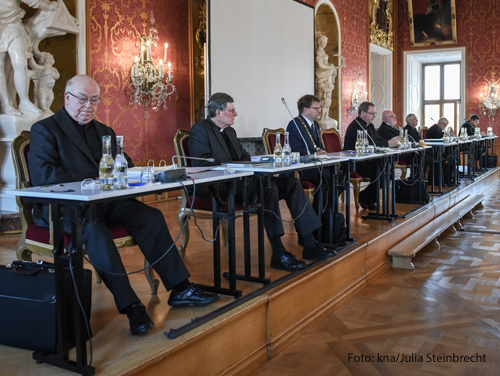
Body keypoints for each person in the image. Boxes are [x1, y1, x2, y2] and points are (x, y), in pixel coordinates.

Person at [28, 75, 220, 337]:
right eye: (83, 99)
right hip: (68, 209)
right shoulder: (45, 129)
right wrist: (97, 177)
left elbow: (125, 166)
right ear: (67, 98)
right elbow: (43, 175)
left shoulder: (104, 131)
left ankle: (180, 288)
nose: (89, 105)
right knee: (95, 231)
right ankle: (131, 306)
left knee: (150, 216)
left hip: (106, 202)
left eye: (95, 100)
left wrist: (132, 174)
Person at [189, 92, 333, 272]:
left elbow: (245, 158)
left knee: (291, 183)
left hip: (242, 183)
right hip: (220, 187)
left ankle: (310, 243)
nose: (236, 114)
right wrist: (239, 168)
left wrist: (265, 165)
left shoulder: (231, 132)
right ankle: (278, 252)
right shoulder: (200, 130)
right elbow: (202, 164)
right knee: (268, 188)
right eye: (232, 111)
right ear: (218, 112)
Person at [0, 0, 55, 115]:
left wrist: (48, 6)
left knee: (21, 63)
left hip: (13, 25)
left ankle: (24, 101)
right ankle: (6, 104)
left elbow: (33, 1)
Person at [343, 102, 398, 210]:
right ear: (363, 113)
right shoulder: (356, 126)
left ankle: (368, 197)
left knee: (387, 172)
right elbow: (368, 144)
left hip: (368, 160)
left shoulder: (370, 126)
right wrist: (388, 144)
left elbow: (378, 140)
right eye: (372, 113)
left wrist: (389, 142)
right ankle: (366, 197)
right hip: (356, 162)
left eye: (375, 113)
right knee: (382, 172)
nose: (375, 116)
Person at [287, 94, 328, 186]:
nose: (319, 111)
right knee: (328, 174)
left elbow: (318, 145)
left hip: (315, 165)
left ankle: (326, 200)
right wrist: (314, 155)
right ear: (305, 109)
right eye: (316, 108)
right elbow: (295, 151)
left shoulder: (315, 124)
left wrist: (322, 151)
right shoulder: (294, 125)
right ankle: (321, 200)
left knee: (339, 175)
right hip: (303, 168)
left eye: (319, 108)